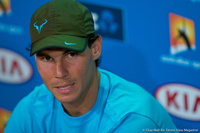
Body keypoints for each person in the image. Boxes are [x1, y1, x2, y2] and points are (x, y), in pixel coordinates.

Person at [4, 0, 178, 132]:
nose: (59, 72)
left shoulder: (133, 119)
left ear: (95, 48)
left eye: (71, 54)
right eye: (47, 58)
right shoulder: (32, 110)